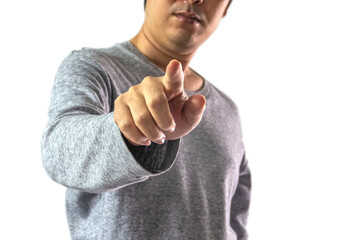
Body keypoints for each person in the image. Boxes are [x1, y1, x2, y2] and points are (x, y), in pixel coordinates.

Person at [41, 0, 251, 239]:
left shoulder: (228, 110)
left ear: (225, 9)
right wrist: (129, 132)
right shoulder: (94, 67)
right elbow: (59, 152)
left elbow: (235, 222)